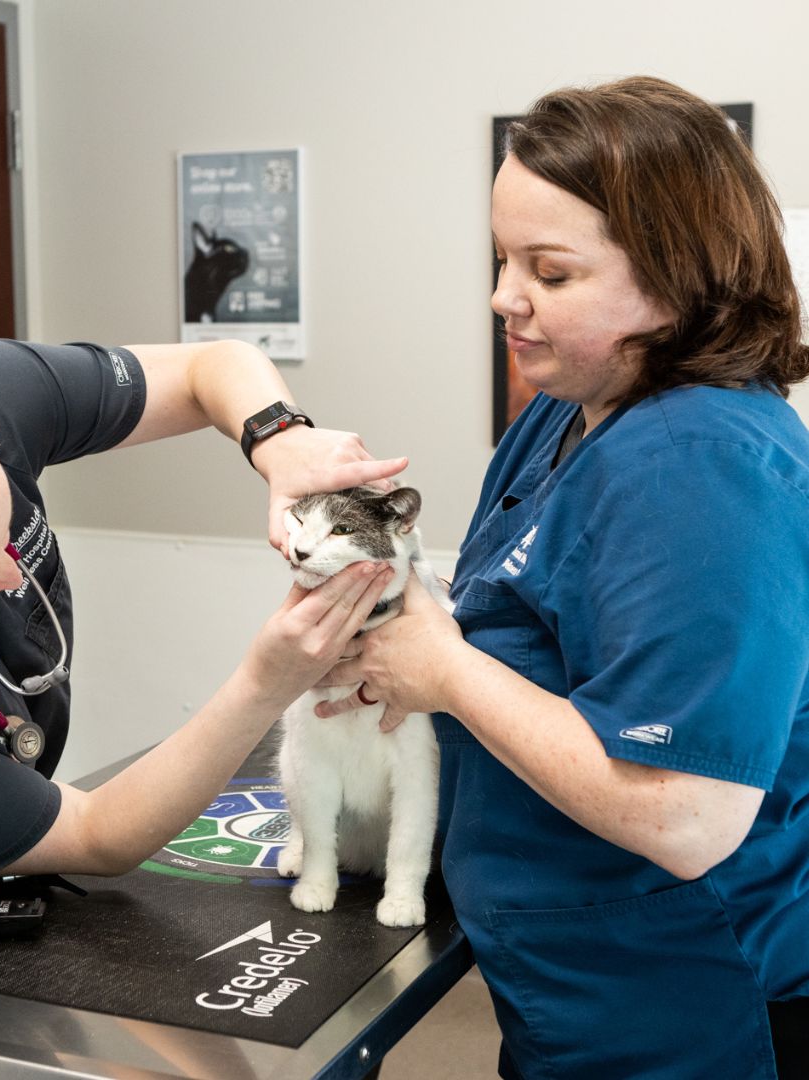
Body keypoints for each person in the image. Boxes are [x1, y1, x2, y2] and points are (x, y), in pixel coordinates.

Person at [317, 77, 809, 1079]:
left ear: (682, 280)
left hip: (690, 1005)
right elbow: (523, 620)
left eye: (551, 270)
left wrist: (447, 676)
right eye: (503, 260)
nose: (505, 297)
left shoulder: (701, 464)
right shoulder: (574, 400)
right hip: (573, 983)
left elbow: (684, 813)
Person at [0, 336, 407, 944]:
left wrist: (278, 438)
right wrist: (265, 684)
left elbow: (213, 365)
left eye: (7, 525)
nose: (10, 567)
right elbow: (97, 835)